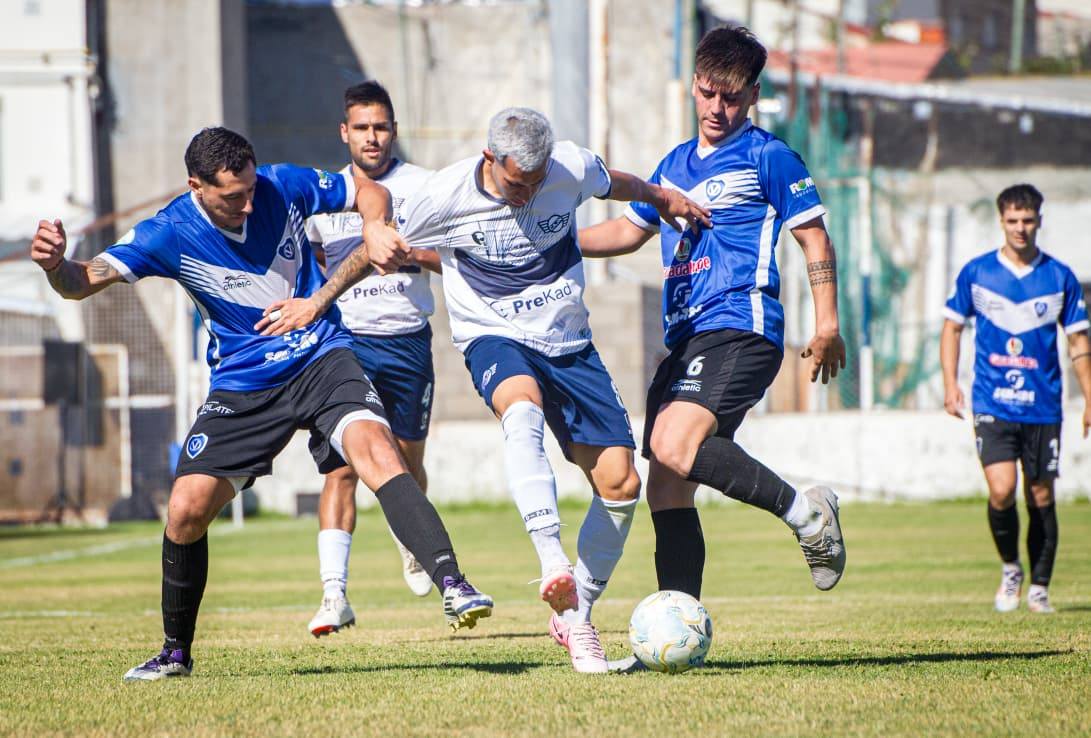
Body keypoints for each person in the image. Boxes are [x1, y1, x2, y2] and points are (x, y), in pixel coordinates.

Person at [30, 127, 493, 682]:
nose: (249, 203)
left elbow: (370, 191)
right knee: (185, 510)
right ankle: (175, 653)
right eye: (233, 196)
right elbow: (81, 282)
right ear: (196, 187)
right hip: (244, 382)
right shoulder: (168, 233)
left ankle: (453, 583)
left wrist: (373, 225)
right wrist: (55, 265)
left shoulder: (280, 185)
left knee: (376, 448)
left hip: (321, 355)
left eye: (251, 189)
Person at [270, 106, 710, 673]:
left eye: (536, 182)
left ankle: (575, 616)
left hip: (568, 340)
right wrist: (316, 301)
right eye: (515, 183)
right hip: (493, 334)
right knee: (521, 409)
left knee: (621, 484)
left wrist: (663, 197)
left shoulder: (570, 167)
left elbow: (619, 183)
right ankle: (552, 562)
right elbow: (372, 248)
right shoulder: (443, 195)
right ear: (489, 159)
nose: (526, 194)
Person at [577, 25, 848, 671]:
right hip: (686, 337)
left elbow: (813, 239)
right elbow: (626, 232)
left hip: (739, 325)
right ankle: (677, 636)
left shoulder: (768, 157)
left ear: (751, 95)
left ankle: (806, 514)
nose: (716, 108)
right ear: (694, 86)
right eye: (706, 93)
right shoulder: (672, 165)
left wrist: (827, 325)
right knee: (666, 486)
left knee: (673, 446)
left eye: (730, 97)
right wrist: (553, 243)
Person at [303, 81, 441, 637]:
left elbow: (452, 254)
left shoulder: (424, 187)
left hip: (407, 341)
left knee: (405, 463)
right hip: (344, 346)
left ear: (394, 131)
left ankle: (411, 539)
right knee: (342, 468)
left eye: (380, 127)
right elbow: (311, 267)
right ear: (345, 132)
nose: (372, 137)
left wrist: (407, 251)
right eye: (361, 128)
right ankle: (333, 595)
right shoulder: (325, 195)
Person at [941, 183, 1091, 614]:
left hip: (1043, 406)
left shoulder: (1059, 277)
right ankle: (1011, 568)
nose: (1020, 228)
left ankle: (1040, 587)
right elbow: (952, 327)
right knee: (1002, 489)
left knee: (1041, 494)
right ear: (1001, 221)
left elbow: (1078, 341)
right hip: (993, 402)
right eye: (1012, 220)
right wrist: (950, 383)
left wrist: (1089, 397)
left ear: (1039, 220)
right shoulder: (977, 273)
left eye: (1027, 220)